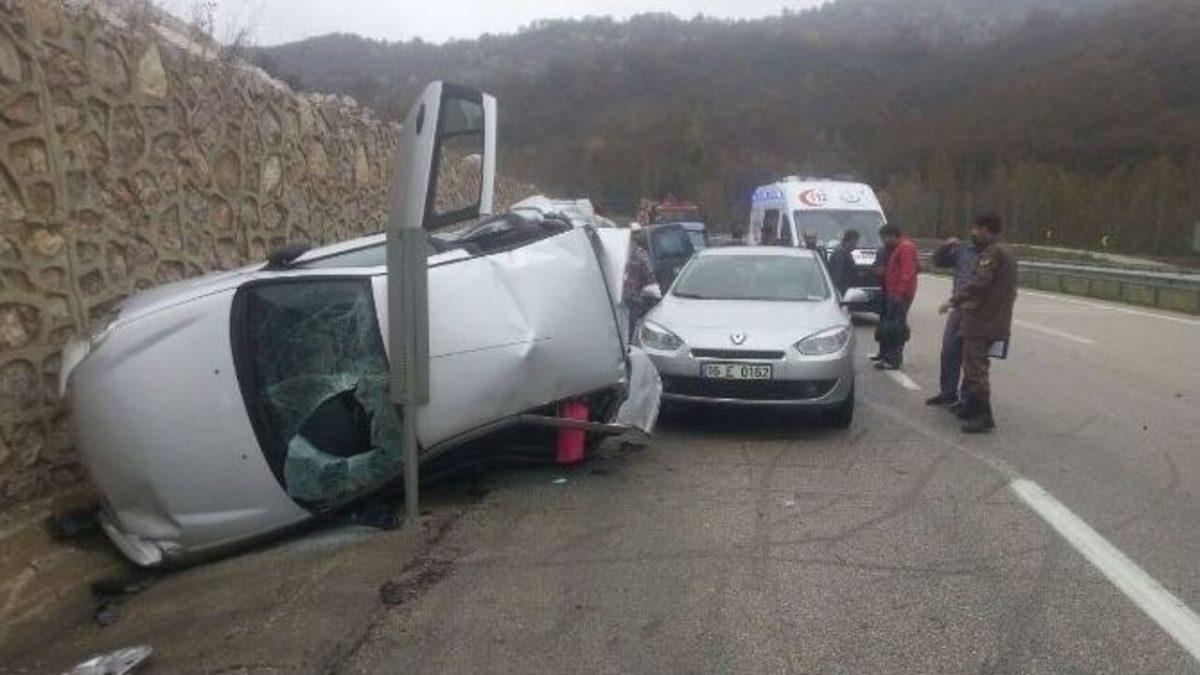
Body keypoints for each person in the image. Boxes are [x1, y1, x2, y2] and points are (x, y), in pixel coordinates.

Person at [939, 213, 1017, 433]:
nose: (972, 233)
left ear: (986, 230)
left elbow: (979, 283)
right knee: (974, 364)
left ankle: (983, 415)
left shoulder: (992, 253)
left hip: (982, 319)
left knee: (976, 368)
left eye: (975, 229)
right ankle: (971, 407)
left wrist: (954, 300)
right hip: (994, 317)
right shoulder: (1007, 251)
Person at [925, 233, 980, 407]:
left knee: (971, 356)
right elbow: (937, 261)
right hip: (958, 307)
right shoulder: (962, 249)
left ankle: (966, 398)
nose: (975, 233)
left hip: (978, 311)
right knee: (949, 351)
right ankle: (948, 393)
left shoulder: (992, 253)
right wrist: (945, 246)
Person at [874, 223, 918, 370]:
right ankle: (888, 356)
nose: (883, 241)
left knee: (895, 328)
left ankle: (893, 359)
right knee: (892, 326)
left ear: (893, 235)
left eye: (885, 238)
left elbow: (907, 273)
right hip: (894, 293)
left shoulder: (905, 248)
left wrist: (899, 293)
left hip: (900, 294)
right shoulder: (899, 248)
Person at [624, 222, 658, 342]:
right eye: (635, 234)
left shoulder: (621, 251)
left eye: (638, 234)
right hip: (630, 297)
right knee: (629, 326)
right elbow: (650, 274)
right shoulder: (639, 253)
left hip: (627, 298)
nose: (637, 236)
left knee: (628, 326)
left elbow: (650, 274)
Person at [827, 229, 860, 295]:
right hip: (842, 290)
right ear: (852, 241)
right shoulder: (839, 253)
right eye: (856, 243)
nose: (856, 246)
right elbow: (837, 276)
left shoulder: (845, 252)